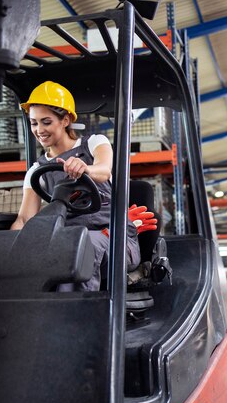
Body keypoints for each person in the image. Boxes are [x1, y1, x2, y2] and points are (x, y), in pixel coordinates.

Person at [11, 81, 154, 291]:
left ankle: (77, 317)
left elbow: (104, 170)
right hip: (66, 244)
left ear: (65, 120)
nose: (39, 130)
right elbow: (24, 219)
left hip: (115, 241)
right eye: (34, 123)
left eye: (46, 122)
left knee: (81, 246)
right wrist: (11, 247)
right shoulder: (36, 170)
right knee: (59, 250)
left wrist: (86, 169)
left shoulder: (94, 143)